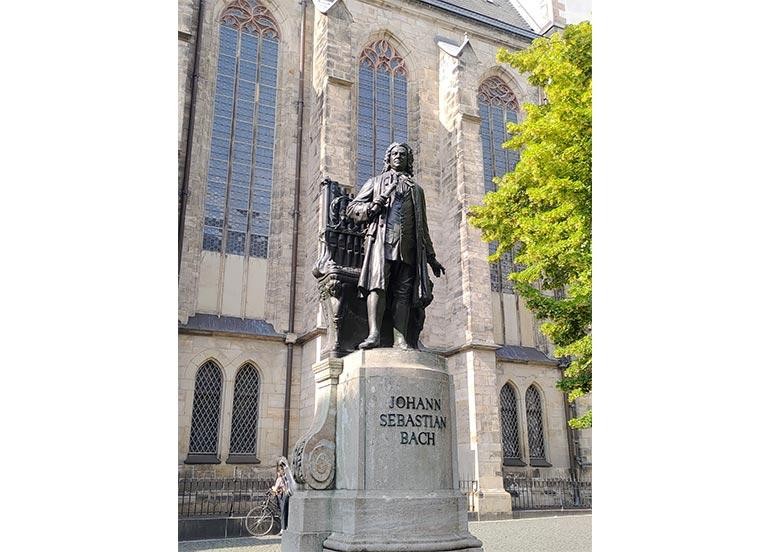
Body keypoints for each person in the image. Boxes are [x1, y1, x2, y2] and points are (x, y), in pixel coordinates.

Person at [346, 143, 445, 350]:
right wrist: (373, 205)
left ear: (409, 160)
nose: (398, 156)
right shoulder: (376, 182)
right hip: (381, 243)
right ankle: (374, 334)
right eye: (394, 154)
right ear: (388, 158)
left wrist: (431, 257)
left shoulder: (416, 190)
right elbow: (352, 208)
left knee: (404, 292)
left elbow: (423, 226)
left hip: (408, 247)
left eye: (403, 154)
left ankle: (400, 339)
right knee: (377, 286)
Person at [270, 457, 295, 535]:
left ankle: (283, 528)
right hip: (282, 495)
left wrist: (273, 489)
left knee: (283, 512)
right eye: (278, 470)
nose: (278, 472)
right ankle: (284, 527)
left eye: (280, 470)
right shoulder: (282, 478)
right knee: (283, 511)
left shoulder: (282, 478)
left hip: (284, 496)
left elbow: (276, 488)